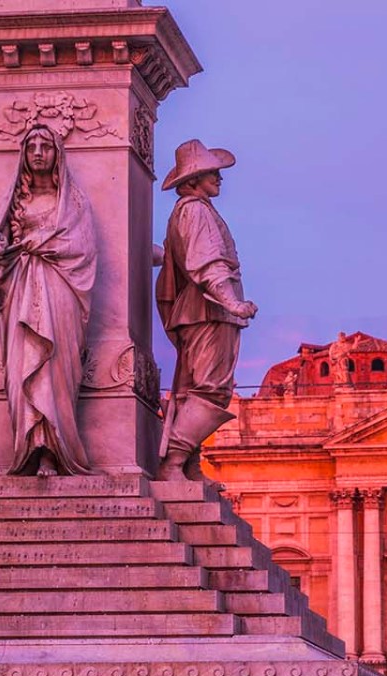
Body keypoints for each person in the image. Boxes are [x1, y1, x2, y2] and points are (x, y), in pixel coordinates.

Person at [0, 125, 98, 476]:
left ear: (56, 154)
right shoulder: (15, 202)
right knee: (23, 366)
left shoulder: (73, 202)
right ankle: (30, 447)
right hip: (22, 288)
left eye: (45, 146)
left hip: (59, 290)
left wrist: (44, 245)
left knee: (54, 368)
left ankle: (55, 449)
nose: (37, 152)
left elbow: (84, 248)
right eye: (31, 146)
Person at [155, 139, 257, 481]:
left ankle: (188, 464)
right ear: (193, 179)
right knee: (211, 387)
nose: (219, 177)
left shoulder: (192, 210)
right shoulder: (195, 211)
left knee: (192, 387)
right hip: (207, 311)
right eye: (211, 172)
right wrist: (232, 302)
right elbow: (206, 263)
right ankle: (173, 462)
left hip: (202, 311)